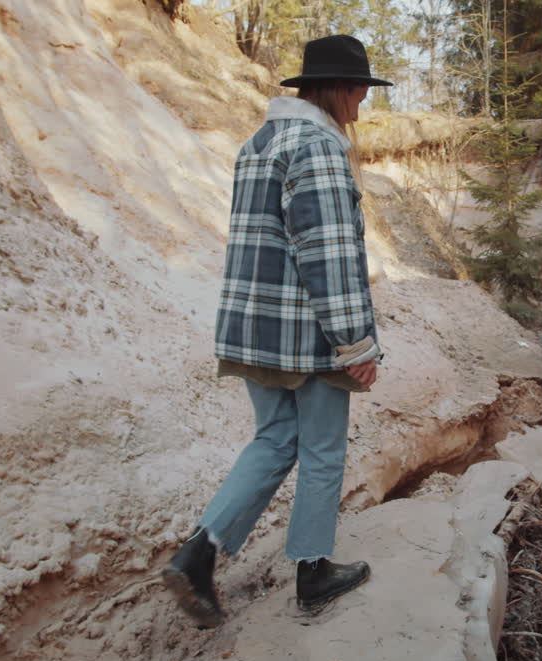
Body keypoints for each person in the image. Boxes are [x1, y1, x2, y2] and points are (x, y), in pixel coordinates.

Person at [161, 35, 392, 627]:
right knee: (320, 449)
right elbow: (328, 253)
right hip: (305, 334)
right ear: (341, 88)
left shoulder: (258, 143)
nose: (366, 97)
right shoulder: (318, 146)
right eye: (363, 87)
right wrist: (356, 345)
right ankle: (313, 572)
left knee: (273, 441)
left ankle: (198, 554)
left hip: (251, 325)